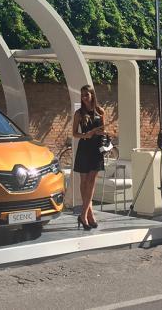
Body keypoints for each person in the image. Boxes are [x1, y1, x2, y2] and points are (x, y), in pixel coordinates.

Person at [72, 85, 107, 230]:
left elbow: (103, 130)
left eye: (86, 95)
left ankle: (84, 215)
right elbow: (74, 133)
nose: (84, 97)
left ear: (92, 95)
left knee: (92, 181)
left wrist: (101, 133)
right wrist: (85, 135)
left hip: (96, 148)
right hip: (85, 147)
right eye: (82, 95)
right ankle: (88, 214)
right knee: (84, 181)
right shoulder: (79, 113)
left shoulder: (100, 111)